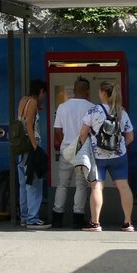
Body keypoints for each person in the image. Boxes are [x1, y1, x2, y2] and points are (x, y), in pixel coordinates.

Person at [78, 80, 135, 232]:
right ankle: (128, 223)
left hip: (98, 156)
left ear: (103, 93)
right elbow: (130, 137)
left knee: (97, 187)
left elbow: (83, 134)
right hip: (119, 156)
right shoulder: (121, 111)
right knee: (123, 186)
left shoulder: (94, 111)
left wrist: (80, 150)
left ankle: (95, 223)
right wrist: (118, 147)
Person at [50, 77, 94, 228]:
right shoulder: (92, 107)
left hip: (66, 151)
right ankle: (78, 218)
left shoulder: (63, 107)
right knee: (81, 185)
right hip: (83, 152)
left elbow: (57, 131)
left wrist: (66, 145)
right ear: (88, 91)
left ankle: (57, 217)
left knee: (62, 184)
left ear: (74, 91)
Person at [16, 79, 48, 228]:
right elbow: (29, 126)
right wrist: (36, 148)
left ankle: (24, 216)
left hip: (20, 147)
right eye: (43, 93)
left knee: (23, 183)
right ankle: (33, 218)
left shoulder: (23, 100)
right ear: (40, 90)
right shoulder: (33, 103)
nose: (44, 96)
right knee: (34, 183)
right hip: (30, 146)